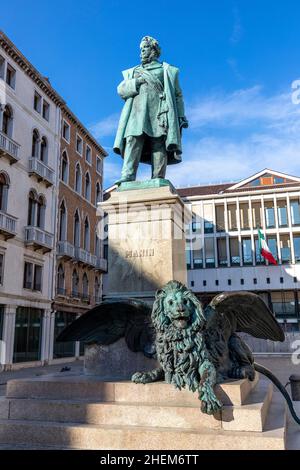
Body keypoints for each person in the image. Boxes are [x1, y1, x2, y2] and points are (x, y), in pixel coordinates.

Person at [113, 36, 188, 185]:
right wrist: (136, 82)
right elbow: (121, 90)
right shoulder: (133, 72)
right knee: (132, 140)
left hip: (159, 112)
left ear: (153, 50)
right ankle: (128, 175)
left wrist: (180, 115)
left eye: (145, 48)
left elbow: (178, 95)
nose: (141, 52)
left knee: (158, 142)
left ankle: (158, 176)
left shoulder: (167, 70)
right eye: (140, 49)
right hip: (136, 114)